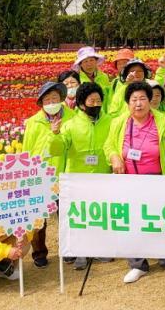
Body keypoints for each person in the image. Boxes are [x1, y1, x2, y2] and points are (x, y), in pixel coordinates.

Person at [103, 81, 165, 283]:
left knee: (163, 220)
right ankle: (138, 264)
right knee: (132, 222)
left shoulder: (164, 121)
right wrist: (114, 157)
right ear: (127, 103)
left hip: (158, 179)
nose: (138, 104)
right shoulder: (119, 122)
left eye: (142, 99)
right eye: (134, 100)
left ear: (150, 101)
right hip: (130, 181)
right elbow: (109, 145)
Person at [48, 82, 112, 270]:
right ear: (82, 104)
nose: (96, 104)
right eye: (92, 101)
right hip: (78, 179)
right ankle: (81, 252)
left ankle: (99, 249)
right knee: (79, 216)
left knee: (100, 214)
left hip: (102, 176)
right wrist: (55, 134)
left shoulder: (109, 121)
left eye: (99, 100)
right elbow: (57, 150)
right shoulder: (70, 125)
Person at [22, 81, 75, 268]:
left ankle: (68, 249)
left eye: (54, 98)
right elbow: (27, 149)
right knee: (38, 218)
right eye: (47, 99)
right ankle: (39, 252)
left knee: (66, 214)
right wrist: (27, 173)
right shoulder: (33, 122)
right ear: (41, 102)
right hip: (40, 174)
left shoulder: (72, 118)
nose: (51, 102)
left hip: (64, 172)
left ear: (61, 99)